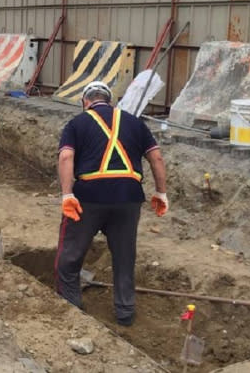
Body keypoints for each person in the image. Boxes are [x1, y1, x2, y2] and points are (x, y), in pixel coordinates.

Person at [55, 81, 168, 327]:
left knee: (71, 253)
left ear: (86, 102)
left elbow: (66, 156)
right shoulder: (136, 123)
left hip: (89, 195)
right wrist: (161, 192)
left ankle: (70, 305)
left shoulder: (77, 123)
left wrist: (67, 195)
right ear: (110, 101)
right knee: (124, 256)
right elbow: (156, 157)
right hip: (129, 196)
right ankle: (125, 312)